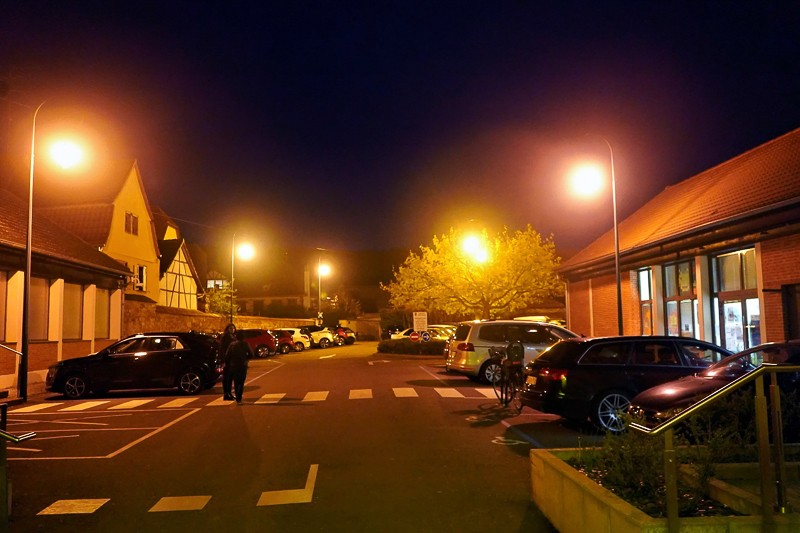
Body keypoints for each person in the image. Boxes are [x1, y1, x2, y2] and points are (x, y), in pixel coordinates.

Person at [224, 335, 253, 404]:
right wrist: (246, 358)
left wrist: (228, 363)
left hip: (234, 365)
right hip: (242, 365)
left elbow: (227, 356)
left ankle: (237, 397)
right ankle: (239, 398)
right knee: (241, 382)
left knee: (236, 382)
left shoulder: (232, 345)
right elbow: (251, 354)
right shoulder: (245, 344)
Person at [220, 323, 238, 401]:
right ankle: (226, 394)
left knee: (230, 378)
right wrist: (223, 360)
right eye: (230, 328)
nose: (232, 330)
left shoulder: (233, 336)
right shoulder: (225, 337)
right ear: (227, 329)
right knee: (227, 377)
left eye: (233, 328)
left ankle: (229, 393)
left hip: (232, 359)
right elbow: (222, 349)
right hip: (227, 359)